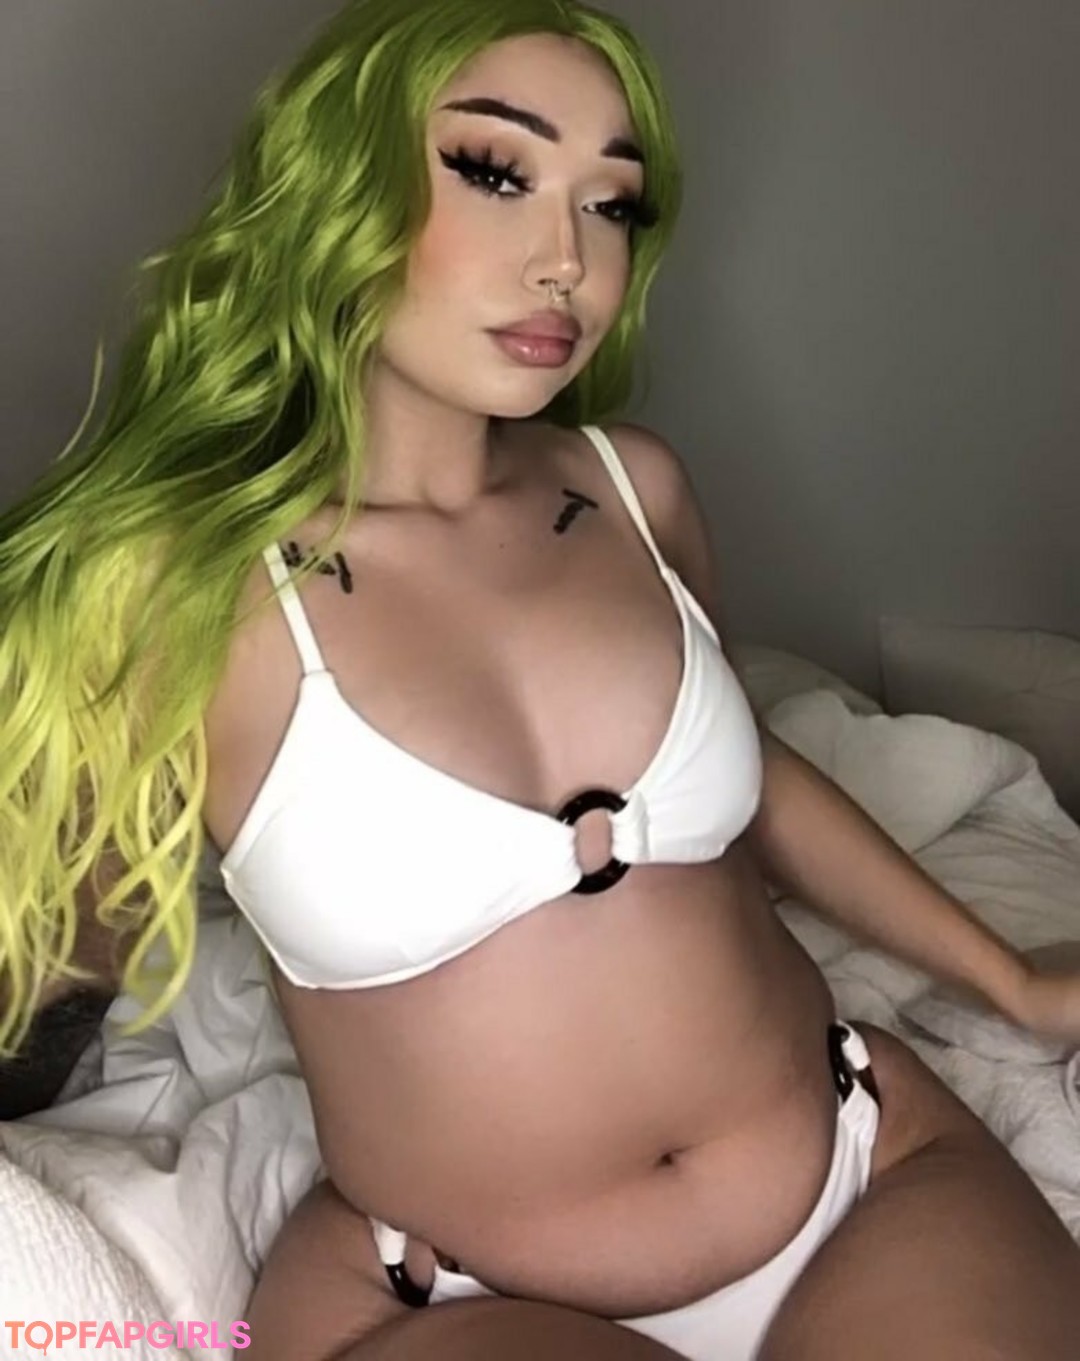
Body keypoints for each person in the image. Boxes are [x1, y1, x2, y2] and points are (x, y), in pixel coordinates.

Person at [3, 1, 1080, 1357]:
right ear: (335, 187)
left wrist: (1013, 982)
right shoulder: (177, 592)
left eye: (610, 204)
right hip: (463, 1287)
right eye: (496, 172)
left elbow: (748, 776)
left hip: (865, 1167)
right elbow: (60, 938)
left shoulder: (636, 487)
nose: (568, 259)